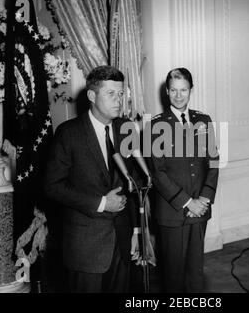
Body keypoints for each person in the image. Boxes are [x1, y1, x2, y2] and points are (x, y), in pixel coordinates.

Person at [44, 65, 140, 293]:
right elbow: (52, 186)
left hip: (123, 239)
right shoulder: (69, 133)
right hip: (85, 248)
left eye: (120, 94)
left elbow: (133, 183)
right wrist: (101, 203)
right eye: (110, 94)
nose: (118, 100)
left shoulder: (126, 129)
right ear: (91, 95)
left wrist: (136, 231)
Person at [149, 67, 219, 292]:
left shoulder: (203, 119)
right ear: (166, 92)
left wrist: (204, 199)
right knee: (173, 277)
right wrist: (189, 202)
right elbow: (158, 173)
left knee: (196, 273)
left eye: (184, 90)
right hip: (172, 212)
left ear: (191, 90)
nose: (179, 95)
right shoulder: (155, 126)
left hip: (200, 211)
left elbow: (214, 162)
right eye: (174, 90)